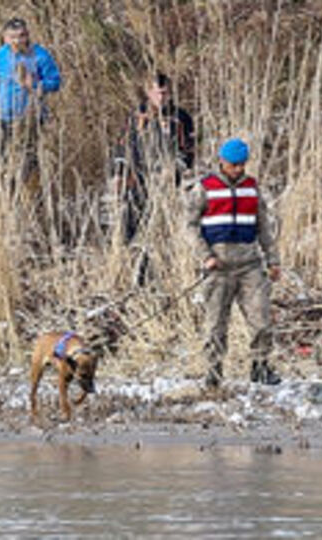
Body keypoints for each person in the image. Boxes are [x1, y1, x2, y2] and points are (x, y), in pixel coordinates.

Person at [186, 138, 281, 389]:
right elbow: (190, 227)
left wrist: (273, 260)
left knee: (262, 320)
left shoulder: (252, 188)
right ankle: (214, 372)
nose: (238, 169)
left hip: (250, 265)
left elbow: (264, 227)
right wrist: (205, 256)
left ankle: (260, 367)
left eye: (242, 164)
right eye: (233, 165)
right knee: (216, 324)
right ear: (222, 161)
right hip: (218, 266)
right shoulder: (204, 188)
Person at [111, 72, 195, 244]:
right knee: (131, 217)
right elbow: (122, 146)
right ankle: (130, 249)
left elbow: (188, 152)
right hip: (137, 174)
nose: (161, 98)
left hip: (166, 179)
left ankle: (161, 248)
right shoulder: (136, 115)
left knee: (161, 222)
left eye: (165, 93)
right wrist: (119, 173)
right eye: (157, 93)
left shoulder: (180, 118)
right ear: (149, 92)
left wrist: (173, 170)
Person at [0, 17, 62, 192]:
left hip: (29, 116)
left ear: (28, 35)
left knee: (28, 158)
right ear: (5, 38)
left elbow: (55, 82)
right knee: (0, 158)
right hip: (2, 115)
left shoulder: (40, 55)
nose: (18, 41)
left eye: (22, 36)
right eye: (13, 37)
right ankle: (7, 191)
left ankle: (26, 191)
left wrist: (36, 85)